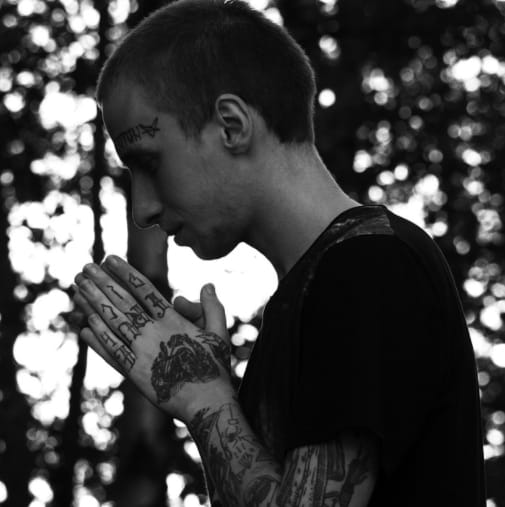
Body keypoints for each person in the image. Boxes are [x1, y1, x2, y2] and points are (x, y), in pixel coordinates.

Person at [72, 0, 486, 505]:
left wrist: (207, 402)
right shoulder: (318, 288)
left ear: (231, 125)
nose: (142, 209)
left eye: (149, 164)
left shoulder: (366, 266)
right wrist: (209, 396)